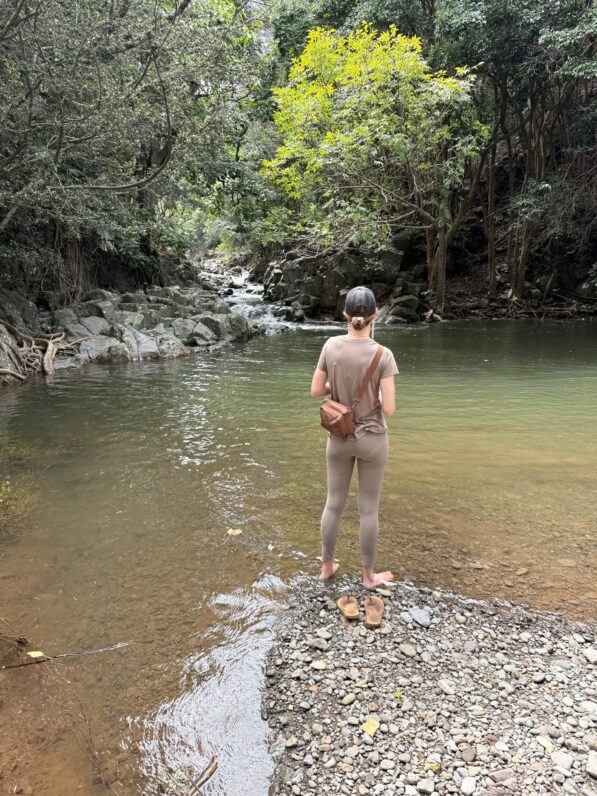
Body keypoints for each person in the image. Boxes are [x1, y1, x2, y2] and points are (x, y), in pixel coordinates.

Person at [310, 286, 399, 589]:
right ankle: (368, 576)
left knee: (333, 504)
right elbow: (389, 408)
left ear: (345, 315)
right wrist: (374, 393)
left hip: (339, 437)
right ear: (375, 315)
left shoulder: (330, 346)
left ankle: (326, 567)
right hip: (372, 440)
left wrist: (336, 386)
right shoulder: (383, 355)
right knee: (368, 509)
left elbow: (316, 390)